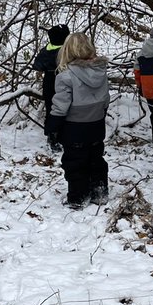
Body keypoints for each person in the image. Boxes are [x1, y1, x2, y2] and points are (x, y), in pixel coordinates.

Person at [48, 32, 111, 209]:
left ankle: (78, 196)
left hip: (74, 127)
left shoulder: (65, 76)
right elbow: (106, 98)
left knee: (74, 162)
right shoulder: (100, 71)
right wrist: (100, 113)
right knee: (96, 157)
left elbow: (61, 106)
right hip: (96, 123)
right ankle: (99, 191)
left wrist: (52, 126)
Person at [34, 24, 69, 150]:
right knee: (65, 108)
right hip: (65, 80)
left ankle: (52, 135)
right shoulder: (67, 51)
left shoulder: (46, 50)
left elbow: (37, 65)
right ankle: (60, 135)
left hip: (49, 81)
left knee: (51, 108)